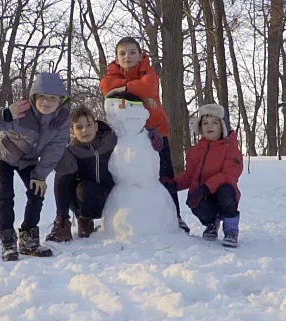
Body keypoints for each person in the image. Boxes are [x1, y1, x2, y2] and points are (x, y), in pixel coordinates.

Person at [99, 37, 190, 233]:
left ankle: (176, 217)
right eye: (122, 53)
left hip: (156, 130)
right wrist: (132, 87)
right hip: (128, 135)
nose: (127, 57)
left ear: (141, 55)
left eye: (132, 52)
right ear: (116, 58)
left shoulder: (148, 72)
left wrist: (122, 88)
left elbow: (147, 86)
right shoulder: (111, 74)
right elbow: (107, 86)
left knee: (164, 175)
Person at [46, 104, 164, 242]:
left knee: (86, 187)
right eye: (79, 127)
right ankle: (65, 224)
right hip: (83, 200)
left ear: (96, 126)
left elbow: (132, 132)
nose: (85, 130)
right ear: (72, 131)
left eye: (89, 125)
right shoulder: (71, 151)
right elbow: (62, 174)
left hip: (110, 198)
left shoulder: (110, 140)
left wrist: (150, 132)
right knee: (64, 175)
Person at [0, 72, 70, 261]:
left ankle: (28, 239)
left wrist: (40, 175)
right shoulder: (21, 111)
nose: (46, 102)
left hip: (29, 159)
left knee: (37, 191)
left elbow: (55, 149)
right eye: (42, 97)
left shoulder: (62, 119)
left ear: (61, 100)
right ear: (34, 97)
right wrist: (6, 113)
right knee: (6, 196)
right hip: (4, 155)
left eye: (52, 98)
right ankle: (7, 242)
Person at [166, 103, 243, 247]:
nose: (209, 126)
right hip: (204, 195)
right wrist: (174, 184)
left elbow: (229, 175)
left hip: (224, 194)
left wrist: (207, 187)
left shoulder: (231, 148)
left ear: (222, 127)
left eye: (215, 123)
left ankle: (231, 229)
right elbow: (190, 176)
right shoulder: (195, 151)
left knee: (226, 191)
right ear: (200, 127)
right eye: (205, 123)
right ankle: (211, 224)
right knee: (195, 199)